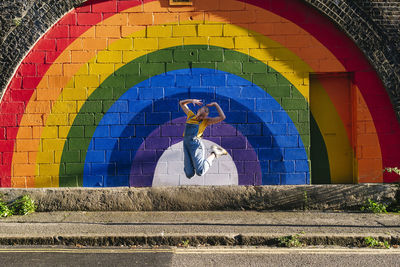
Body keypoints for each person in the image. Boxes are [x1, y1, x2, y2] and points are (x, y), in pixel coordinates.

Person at [179, 98, 228, 178]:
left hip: (196, 145)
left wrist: (215, 104)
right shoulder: (190, 115)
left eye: (203, 116)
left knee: (200, 171)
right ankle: (213, 154)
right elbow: (181, 103)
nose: (200, 117)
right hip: (186, 144)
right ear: (198, 111)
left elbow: (222, 117)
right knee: (189, 174)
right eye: (200, 114)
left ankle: (215, 153)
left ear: (206, 117)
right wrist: (192, 101)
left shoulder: (206, 122)